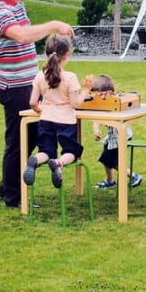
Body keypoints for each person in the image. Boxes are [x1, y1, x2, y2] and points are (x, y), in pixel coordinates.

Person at [0, 0, 76, 209]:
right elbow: (21, 35)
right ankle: (13, 197)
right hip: (16, 88)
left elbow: (9, 45)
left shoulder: (17, 5)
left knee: (33, 137)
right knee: (19, 142)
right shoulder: (0, 10)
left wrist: (3, 71)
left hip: (24, 82)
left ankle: (7, 187)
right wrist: (55, 25)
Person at [22, 34, 89, 189]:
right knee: (72, 151)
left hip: (46, 119)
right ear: (67, 54)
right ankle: (59, 163)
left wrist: (40, 110)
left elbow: (32, 102)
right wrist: (85, 90)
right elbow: (75, 104)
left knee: (46, 150)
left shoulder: (40, 76)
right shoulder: (70, 77)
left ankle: (36, 160)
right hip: (66, 121)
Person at [90, 75, 143, 189]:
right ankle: (110, 180)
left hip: (120, 137)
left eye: (101, 95)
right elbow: (96, 115)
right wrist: (96, 129)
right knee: (106, 160)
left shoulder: (116, 102)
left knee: (110, 160)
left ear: (110, 93)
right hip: (111, 138)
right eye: (97, 95)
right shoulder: (101, 102)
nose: (99, 97)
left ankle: (134, 176)